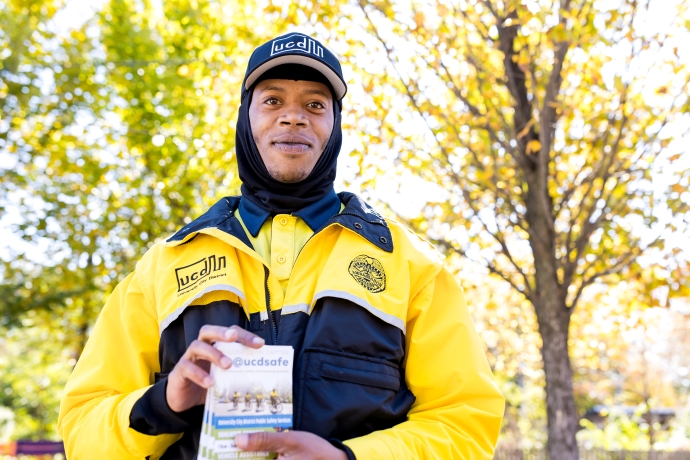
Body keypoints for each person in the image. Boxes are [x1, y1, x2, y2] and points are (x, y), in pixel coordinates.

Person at [58, 32, 505, 459]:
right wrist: (164, 402)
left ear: (335, 126)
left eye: (315, 104)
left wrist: (351, 458)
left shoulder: (412, 265)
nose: (293, 117)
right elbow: (82, 429)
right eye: (272, 100)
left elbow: (466, 423)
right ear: (244, 116)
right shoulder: (162, 267)